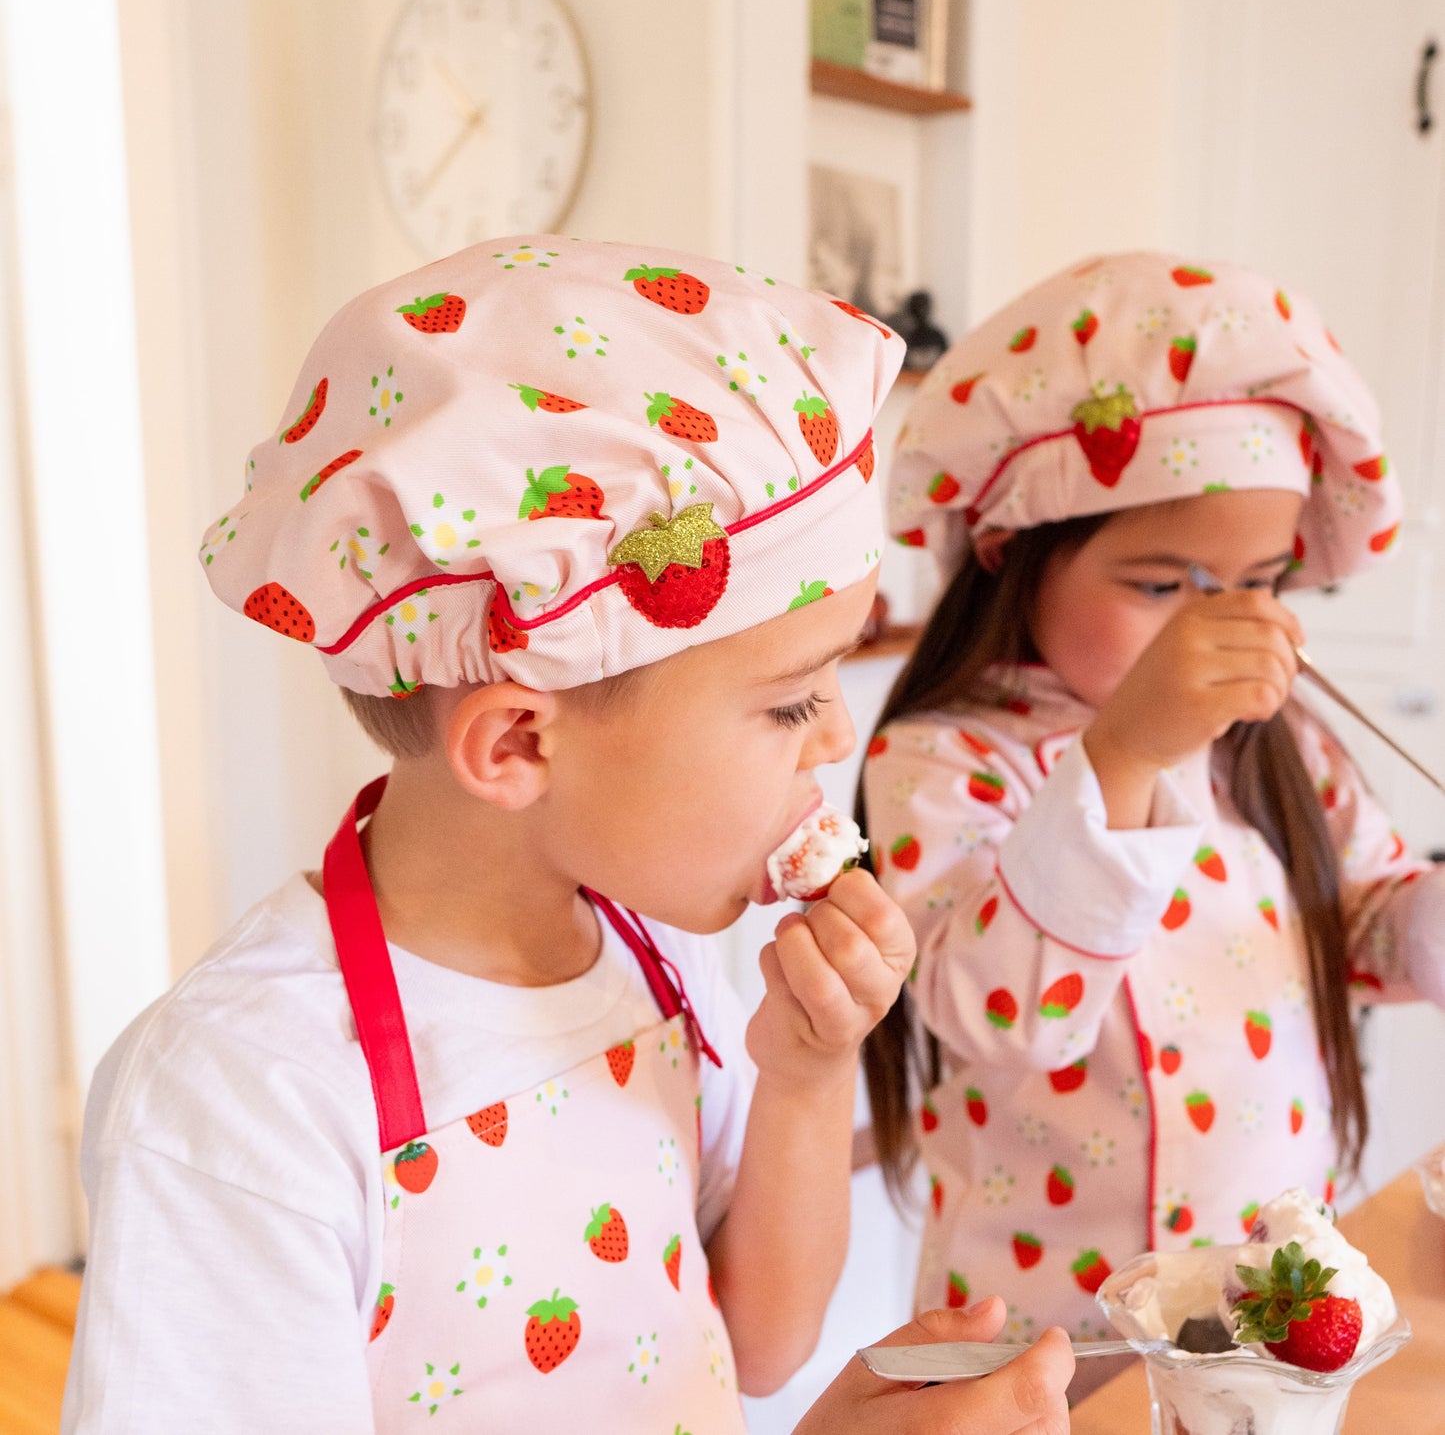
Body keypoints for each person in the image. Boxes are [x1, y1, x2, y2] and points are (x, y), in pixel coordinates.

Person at [62, 236, 1074, 1433]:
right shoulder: (240, 1101)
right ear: (519, 746)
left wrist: (803, 1069)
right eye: (790, 699)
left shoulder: (652, 947)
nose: (829, 739)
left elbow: (757, 1341)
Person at [860, 250, 1445, 1388]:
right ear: (1008, 554)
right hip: (1048, 1346)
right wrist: (1126, 749)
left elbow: (1361, 919)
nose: (1215, 632)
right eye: (1162, 583)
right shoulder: (940, 758)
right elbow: (1005, 1008)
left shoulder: (1282, 746)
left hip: (1268, 1321)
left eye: (1260, 578)